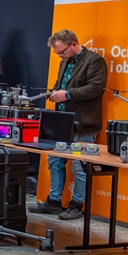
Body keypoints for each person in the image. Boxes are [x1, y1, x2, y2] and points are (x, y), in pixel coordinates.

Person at [30, 29, 108, 221]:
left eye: (62, 52)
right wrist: (54, 92)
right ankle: (54, 202)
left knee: (80, 167)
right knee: (55, 162)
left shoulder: (95, 60)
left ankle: (76, 205)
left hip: (83, 122)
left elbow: (97, 88)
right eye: (57, 53)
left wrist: (67, 94)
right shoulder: (64, 61)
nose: (60, 55)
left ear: (73, 44)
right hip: (61, 121)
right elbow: (60, 84)